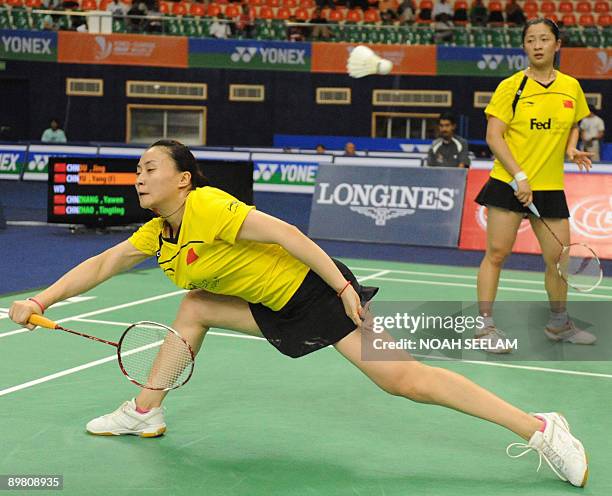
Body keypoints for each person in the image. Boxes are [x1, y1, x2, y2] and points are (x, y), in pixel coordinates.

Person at [8, 140, 589, 487]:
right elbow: (103, 265)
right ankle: (144, 411)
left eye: (150, 167)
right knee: (195, 307)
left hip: (315, 292)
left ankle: (540, 429)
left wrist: (342, 287)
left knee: (404, 380)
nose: (139, 175)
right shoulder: (160, 233)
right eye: (138, 169)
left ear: (183, 179)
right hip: (270, 305)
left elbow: (286, 233)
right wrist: (41, 300)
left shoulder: (208, 206)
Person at [474, 18, 596, 353]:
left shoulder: (570, 86)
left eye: (544, 39)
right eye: (531, 40)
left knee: (560, 258)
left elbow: (574, 121)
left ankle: (559, 324)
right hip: (508, 181)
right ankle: (485, 328)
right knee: (496, 254)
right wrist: (519, 176)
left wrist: (571, 148)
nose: (538, 45)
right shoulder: (511, 87)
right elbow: (493, 136)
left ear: (558, 45)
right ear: (525, 46)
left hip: (549, 185)